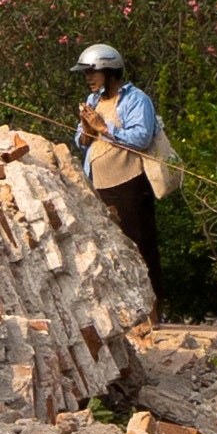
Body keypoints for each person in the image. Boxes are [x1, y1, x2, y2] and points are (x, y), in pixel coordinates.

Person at [74, 43, 165, 277]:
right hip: (100, 186)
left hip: (130, 186)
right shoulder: (93, 100)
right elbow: (80, 141)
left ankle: (154, 310)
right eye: (86, 73)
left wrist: (103, 127)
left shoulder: (136, 100)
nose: (88, 78)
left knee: (140, 249)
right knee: (112, 252)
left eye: (92, 72)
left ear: (109, 70)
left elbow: (141, 137)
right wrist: (87, 129)